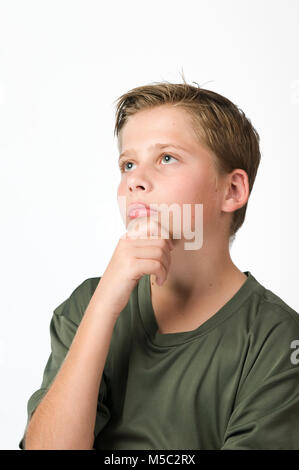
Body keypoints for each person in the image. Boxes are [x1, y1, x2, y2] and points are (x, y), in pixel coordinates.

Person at [19, 77, 299, 450]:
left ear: (232, 190)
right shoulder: (87, 305)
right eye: (128, 163)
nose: (135, 180)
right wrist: (104, 305)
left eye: (167, 158)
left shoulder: (276, 338)